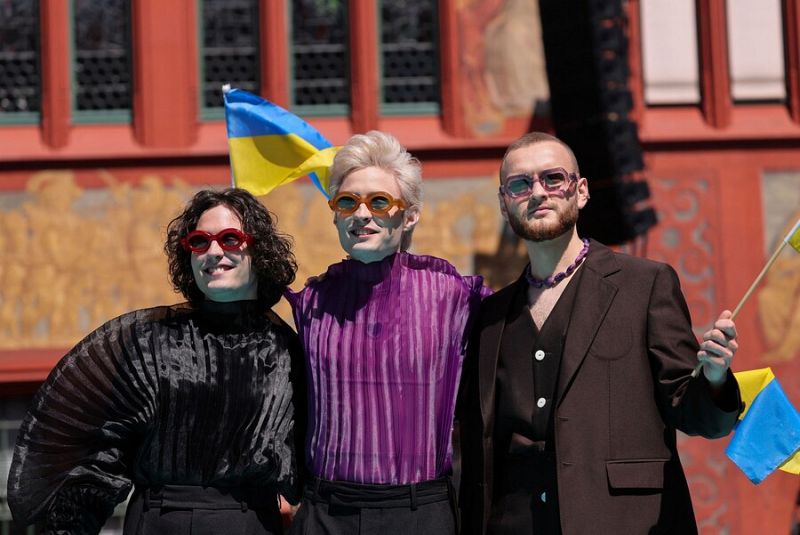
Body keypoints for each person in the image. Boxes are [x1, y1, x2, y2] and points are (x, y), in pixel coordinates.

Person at [458, 132, 743, 534]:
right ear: (505, 204)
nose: (537, 192)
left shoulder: (645, 285)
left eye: (552, 178)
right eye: (520, 184)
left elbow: (698, 417)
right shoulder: (490, 315)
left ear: (582, 191)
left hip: (624, 522)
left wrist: (713, 378)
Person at [8, 188, 306, 534]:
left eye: (229, 238)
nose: (213, 251)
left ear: (259, 250)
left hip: (251, 524)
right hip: (158, 521)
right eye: (199, 241)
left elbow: (313, 455)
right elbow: (100, 455)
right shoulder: (147, 342)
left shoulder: (287, 350)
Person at [285, 131, 489, 534]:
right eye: (348, 202)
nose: (362, 215)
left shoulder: (453, 296)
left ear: (409, 215)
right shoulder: (309, 302)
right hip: (326, 513)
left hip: (419, 512)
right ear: (335, 214)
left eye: (379, 202)